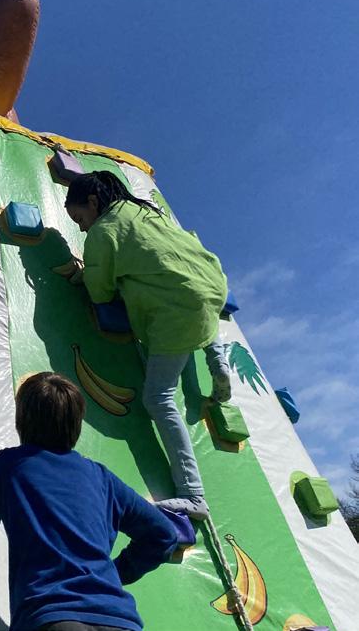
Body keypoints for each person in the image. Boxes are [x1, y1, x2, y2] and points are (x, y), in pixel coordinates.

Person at [0, 372, 177, 631]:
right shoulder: (102, 478)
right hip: (120, 621)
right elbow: (164, 534)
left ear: (21, 420)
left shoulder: (11, 465)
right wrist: (112, 575)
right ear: (76, 425)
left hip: (53, 616)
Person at [62, 170, 229, 520]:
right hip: (211, 283)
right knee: (198, 305)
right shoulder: (146, 210)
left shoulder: (103, 232)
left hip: (176, 315)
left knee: (158, 397)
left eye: (79, 219)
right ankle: (218, 360)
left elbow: (100, 292)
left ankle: (193, 494)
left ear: (93, 202)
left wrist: (86, 274)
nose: (82, 228)